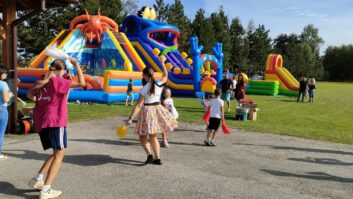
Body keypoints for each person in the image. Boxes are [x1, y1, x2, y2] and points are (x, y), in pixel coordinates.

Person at [27, 58, 85, 199]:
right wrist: (77, 65)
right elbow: (82, 83)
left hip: (43, 121)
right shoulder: (58, 82)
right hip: (55, 121)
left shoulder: (41, 80)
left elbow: (29, 95)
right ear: (61, 70)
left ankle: (38, 179)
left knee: (55, 153)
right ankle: (46, 190)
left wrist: (43, 102)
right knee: (59, 155)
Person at [126, 56, 177, 165]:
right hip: (157, 109)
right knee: (153, 136)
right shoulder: (158, 84)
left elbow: (139, 105)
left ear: (144, 76)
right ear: (153, 75)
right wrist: (162, 63)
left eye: (143, 75)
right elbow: (165, 75)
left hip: (148, 111)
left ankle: (149, 155)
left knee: (142, 135)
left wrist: (131, 118)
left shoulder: (144, 88)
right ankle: (157, 158)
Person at [0, 67, 14, 160]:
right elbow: (6, 99)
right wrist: (9, 95)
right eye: (5, 73)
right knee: (0, 133)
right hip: (1, 110)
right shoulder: (3, 84)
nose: (6, 75)